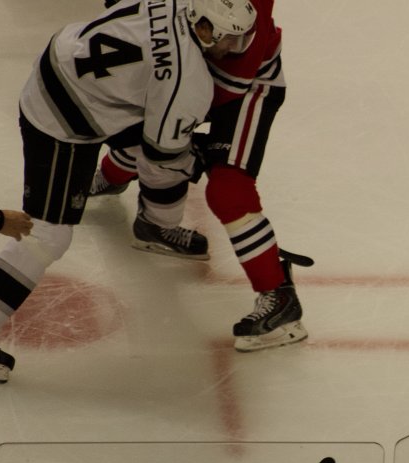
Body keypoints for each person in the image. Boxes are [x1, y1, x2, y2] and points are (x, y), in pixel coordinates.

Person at [0, 0, 258, 383]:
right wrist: (200, 160)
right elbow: (162, 155)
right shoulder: (190, 83)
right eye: (230, 39)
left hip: (62, 62)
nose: (232, 50)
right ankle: (154, 222)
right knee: (47, 235)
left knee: (151, 129)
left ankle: (154, 225)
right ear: (204, 28)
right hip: (59, 118)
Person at [91, 0, 310, 352]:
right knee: (152, 134)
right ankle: (128, 193)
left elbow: (226, 84)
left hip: (248, 87)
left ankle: (280, 300)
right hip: (187, 61)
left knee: (227, 190)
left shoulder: (248, 18)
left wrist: (181, 136)